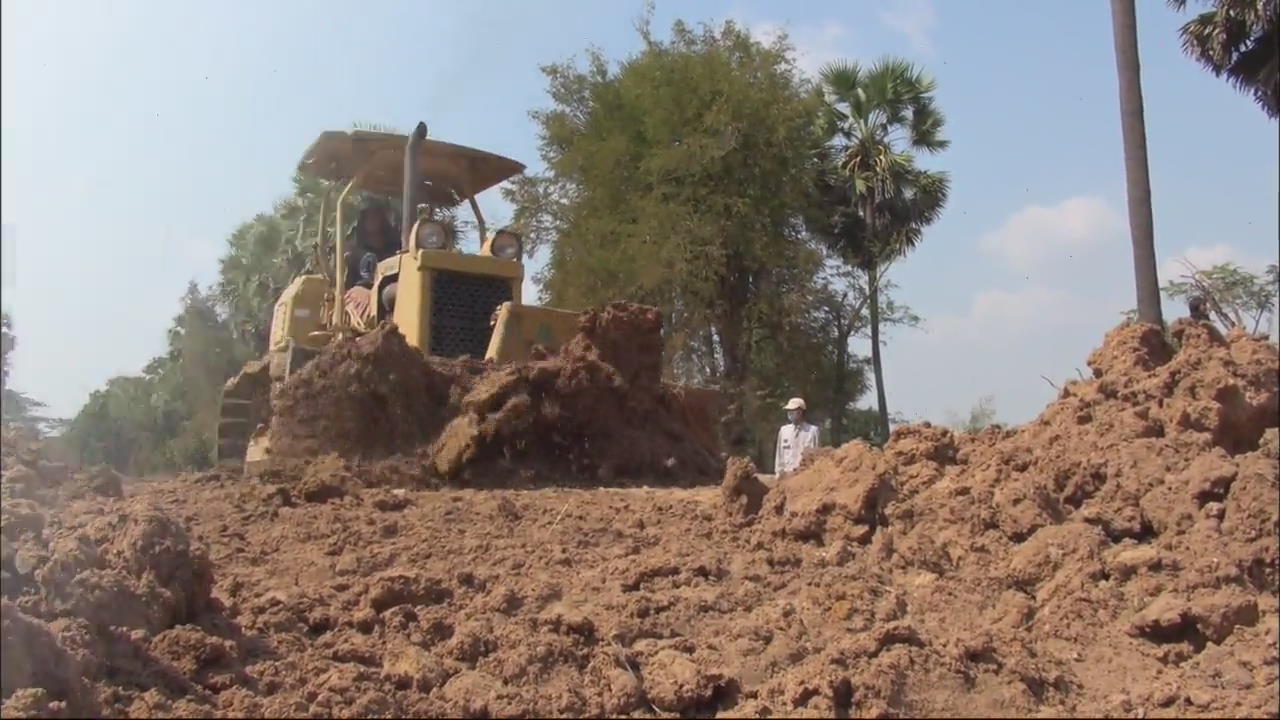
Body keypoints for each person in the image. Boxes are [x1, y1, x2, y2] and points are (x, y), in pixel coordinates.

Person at [343, 201, 400, 324]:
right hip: (359, 296)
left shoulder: (397, 250)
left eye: (376, 215)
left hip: (391, 299)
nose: (372, 220)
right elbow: (344, 285)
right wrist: (362, 289)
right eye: (369, 216)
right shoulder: (353, 253)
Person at [774, 397, 820, 477]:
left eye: (792, 410)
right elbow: (780, 455)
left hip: (805, 476)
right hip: (787, 475)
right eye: (789, 410)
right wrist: (778, 473)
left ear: (800, 412)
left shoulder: (812, 431)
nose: (789, 413)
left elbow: (816, 456)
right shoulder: (784, 431)